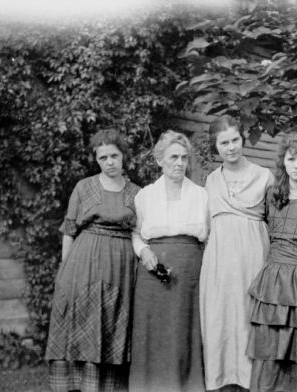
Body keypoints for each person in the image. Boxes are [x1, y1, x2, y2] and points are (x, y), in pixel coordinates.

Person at [45, 129, 140, 392]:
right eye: (103, 158)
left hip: (121, 268)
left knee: (114, 324)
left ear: (124, 156)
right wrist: (65, 273)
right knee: (84, 321)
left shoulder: (138, 193)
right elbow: (69, 230)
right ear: (96, 160)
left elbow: (140, 233)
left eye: (114, 156)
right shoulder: (84, 187)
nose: (109, 162)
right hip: (83, 264)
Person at [247, 132, 297, 392]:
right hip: (275, 283)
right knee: (271, 350)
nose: (296, 165)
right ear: (283, 162)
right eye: (291, 159)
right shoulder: (272, 196)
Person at [129, 131, 208, 392]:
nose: (179, 163)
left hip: (190, 273)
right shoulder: (145, 196)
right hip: (154, 275)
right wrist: (144, 253)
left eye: (184, 158)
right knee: (154, 334)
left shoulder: (201, 195)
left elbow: (209, 236)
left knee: (185, 331)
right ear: (159, 160)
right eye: (173, 157)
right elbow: (136, 234)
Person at [200, 115, 274, 391]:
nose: (230, 147)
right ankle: (221, 380)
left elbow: (276, 222)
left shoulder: (264, 177)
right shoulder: (210, 181)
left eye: (235, 140)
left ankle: (252, 381)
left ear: (243, 140)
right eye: (224, 143)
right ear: (215, 146)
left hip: (253, 258)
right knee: (220, 319)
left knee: (248, 318)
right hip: (219, 262)